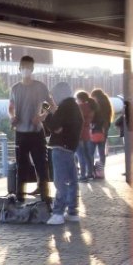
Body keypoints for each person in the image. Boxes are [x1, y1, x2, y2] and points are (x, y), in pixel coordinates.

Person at [8, 55, 56, 202]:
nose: (26, 70)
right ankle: (19, 198)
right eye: (24, 68)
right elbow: (10, 107)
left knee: (41, 166)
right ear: (19, 69)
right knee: (21, 168)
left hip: (36, 133)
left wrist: (42, 116)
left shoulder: (40, 86)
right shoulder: (15, 88)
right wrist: (12, 117)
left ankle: (45, 197)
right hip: (21, 134)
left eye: (29, 68)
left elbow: (51, 105)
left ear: (33, 69)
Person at [43, 82, 83, 225]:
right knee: (72, 181)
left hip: (60, 148)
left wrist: (46, 115)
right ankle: (72, 211)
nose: (54, 98)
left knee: (60, 182)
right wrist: (51, 110)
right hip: (70, 149)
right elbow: (61, 122)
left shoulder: (65, 107)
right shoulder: (74, 107)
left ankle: (58, 213)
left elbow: (55, 126)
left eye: (54, 95)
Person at [90, 88, 113, 177]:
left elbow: (93, 118)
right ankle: (101, 172)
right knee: (101, 152)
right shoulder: (107, 105)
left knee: (90, 153)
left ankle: (92, 171)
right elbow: (108, 120)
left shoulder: (96, 105)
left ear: (94, 96)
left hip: (95, 130)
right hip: (104, 131)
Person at [75, 90, 97, 181]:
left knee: (80, 155)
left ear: (79, 99)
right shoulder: (91, 106)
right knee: (88, 155)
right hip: (87, 132)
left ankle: (83, 175)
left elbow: (77, 120)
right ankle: (90, 173)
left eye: (76, 98)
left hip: (79, 132)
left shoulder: (79, 107)